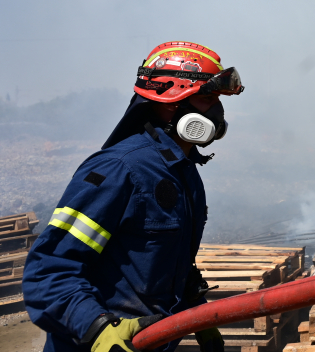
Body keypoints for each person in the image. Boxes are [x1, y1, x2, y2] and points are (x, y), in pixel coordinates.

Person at [23, 42, 245, 352]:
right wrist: (96, 328)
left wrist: (197, 308)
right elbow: (49, 270)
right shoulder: (119, 169)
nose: (217, 111)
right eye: (208, 98)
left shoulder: (183, 171)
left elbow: (160, 257)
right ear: (171, 102)